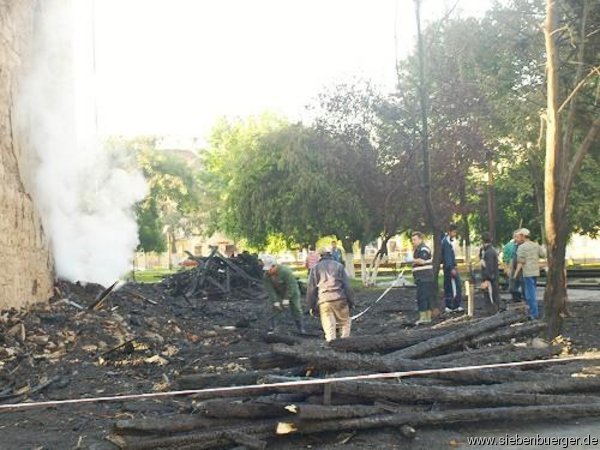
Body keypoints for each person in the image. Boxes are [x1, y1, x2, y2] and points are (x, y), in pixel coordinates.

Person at [306, 248, 354, 341]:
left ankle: (332, 348)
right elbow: (347, 286)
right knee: (345, 324)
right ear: (331, 255)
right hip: (340, 299)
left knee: (329, 329)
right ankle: (346, 345)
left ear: (320, 256)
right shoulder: (339, 266)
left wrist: (311, 306)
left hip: (325, 302)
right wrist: (351, 302)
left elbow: (311, 289)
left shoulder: (315, 268)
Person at [262, 255, 305, 333]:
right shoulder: (266, 276)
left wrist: (286, 299)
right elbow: (270, 289)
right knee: (275, 308)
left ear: (274, 266)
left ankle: (300, 328)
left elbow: (291, 286)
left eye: (269, 269)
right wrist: (275, 301)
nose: (268, 271)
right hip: (278, 292)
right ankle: (276, 327)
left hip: (292, 292)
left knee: (296, 308)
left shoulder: (285, 271)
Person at [513, 228, 546, 320]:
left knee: (530, 295)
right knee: (531, 292)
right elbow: (543, 254)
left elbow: (520, 262)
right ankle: (533, 312)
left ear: (523, 236)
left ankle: (534, 314)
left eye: (519, 236)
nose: (518, 238)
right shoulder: (535, 245)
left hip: (527, 273)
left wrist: (515, 274)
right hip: (535, 272)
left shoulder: (521, 247)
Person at [410, 231, 435, 324]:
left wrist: (411, 260)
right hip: (421, 278)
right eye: (412, 240)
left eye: (414, 239)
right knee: (425, 297)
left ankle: (423, 318)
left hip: (425, 278)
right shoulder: (417, 249)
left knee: (422, 297)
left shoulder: (423, 249)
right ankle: (427, 318)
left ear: (420, 239)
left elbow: (422, 261)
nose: (413, 241)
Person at [441, 223, 464, 313]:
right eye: (454, 232)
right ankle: (452, 305)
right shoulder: (446, 242)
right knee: (453, 286)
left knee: (452, 286)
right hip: (449, 269)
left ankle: (452, 305)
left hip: (450, 267)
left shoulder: (447, 241)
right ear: (449, 232)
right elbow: (447, 257)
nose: (455, 234)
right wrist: (451, 268)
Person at [480, 232, 502, 312]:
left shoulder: (489, 252)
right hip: (492, 278)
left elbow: (490, 267)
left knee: (491, 297)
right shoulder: (489, 251)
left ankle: (494, 314)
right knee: (493, 297)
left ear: (482, 241)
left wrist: (487, 279)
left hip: (491, 279)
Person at [503, 231, 523, 302]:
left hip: (522, 269)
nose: (516, 238)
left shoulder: (522, 245)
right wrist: (506, 268)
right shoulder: (509, 246)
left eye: (518, 236)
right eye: (516, 236)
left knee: (522, 286)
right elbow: (505, 258)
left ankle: (520, 299)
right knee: (512, 286)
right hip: (512, 267)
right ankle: (516, 299)